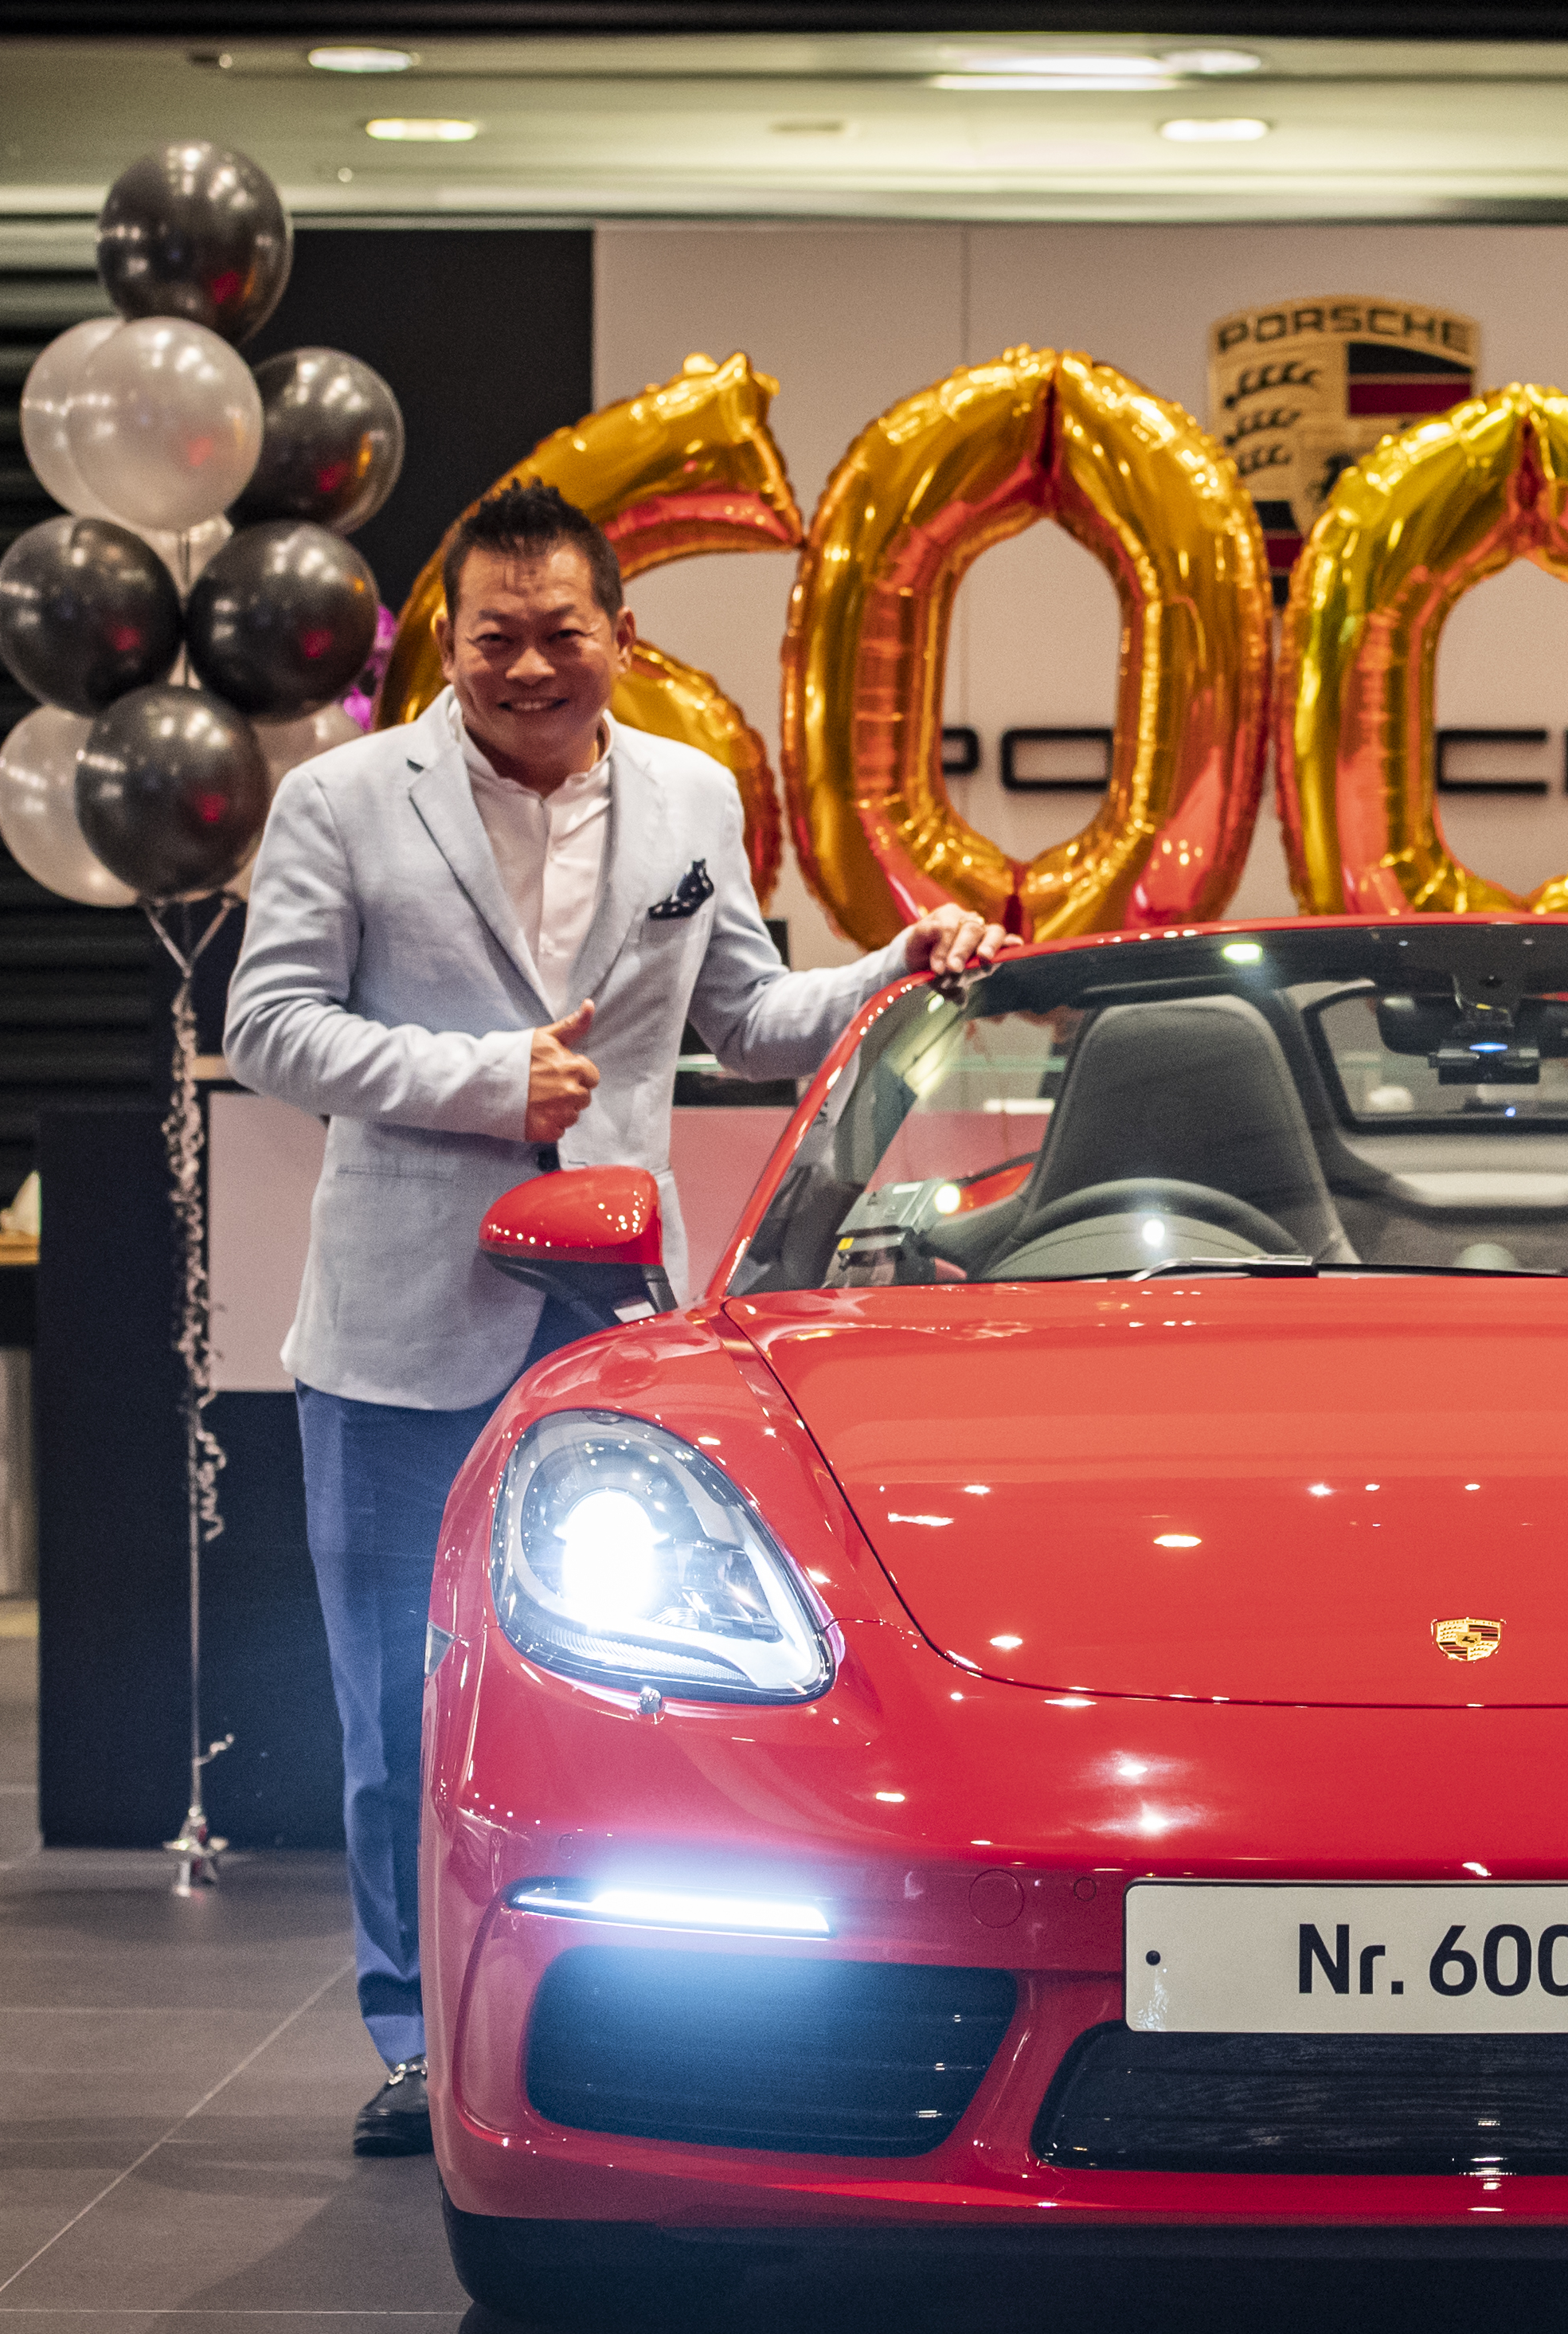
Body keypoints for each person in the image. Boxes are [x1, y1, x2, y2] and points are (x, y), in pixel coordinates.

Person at [224, 480, 1007, 2156]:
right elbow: (271, 1025)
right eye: (492, 637)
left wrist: (896, 969)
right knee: (397, 1703)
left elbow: (750, 1016)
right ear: (448, 644)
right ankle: (413, 2036)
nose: (525, 666)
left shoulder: (689, 797)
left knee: (637, 1688)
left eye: (556, 633)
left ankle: (633, 2019)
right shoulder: (347, 800)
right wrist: (480, 1081)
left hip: (619, 1320)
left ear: (619, 637)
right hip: (396, 1328)